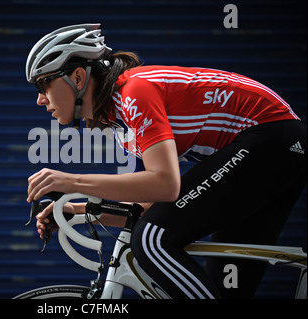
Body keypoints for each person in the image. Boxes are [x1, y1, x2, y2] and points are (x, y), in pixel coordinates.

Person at [25, 23, 307, 298]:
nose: (40, 99)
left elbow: (166, 185)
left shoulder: (134, 92)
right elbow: (148, 205)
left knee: (151, 239)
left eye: (43, 84)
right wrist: (75, 210)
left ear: (77, 78)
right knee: (220, 288)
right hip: (277, 147)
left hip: (271, 138)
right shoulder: (119, 122)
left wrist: (70, 180)